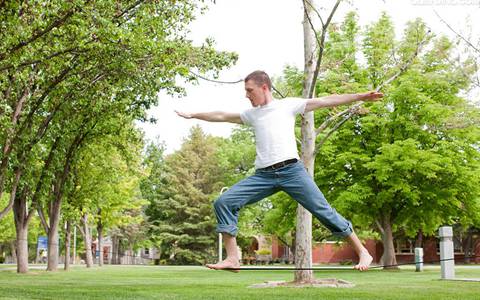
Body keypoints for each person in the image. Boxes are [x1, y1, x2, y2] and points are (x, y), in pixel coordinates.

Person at [176, 70, 383, 272]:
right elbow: (221, 115)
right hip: (263, 176)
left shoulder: (287, 105)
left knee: (323, 211)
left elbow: (325, 101)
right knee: (224, 202)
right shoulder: (251, 115)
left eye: (250, 90)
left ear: (264, 87)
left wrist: (360, 97)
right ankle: (232, 258)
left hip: (292, 171)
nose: (246, 95)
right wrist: (194, 114)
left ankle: (362, 251)